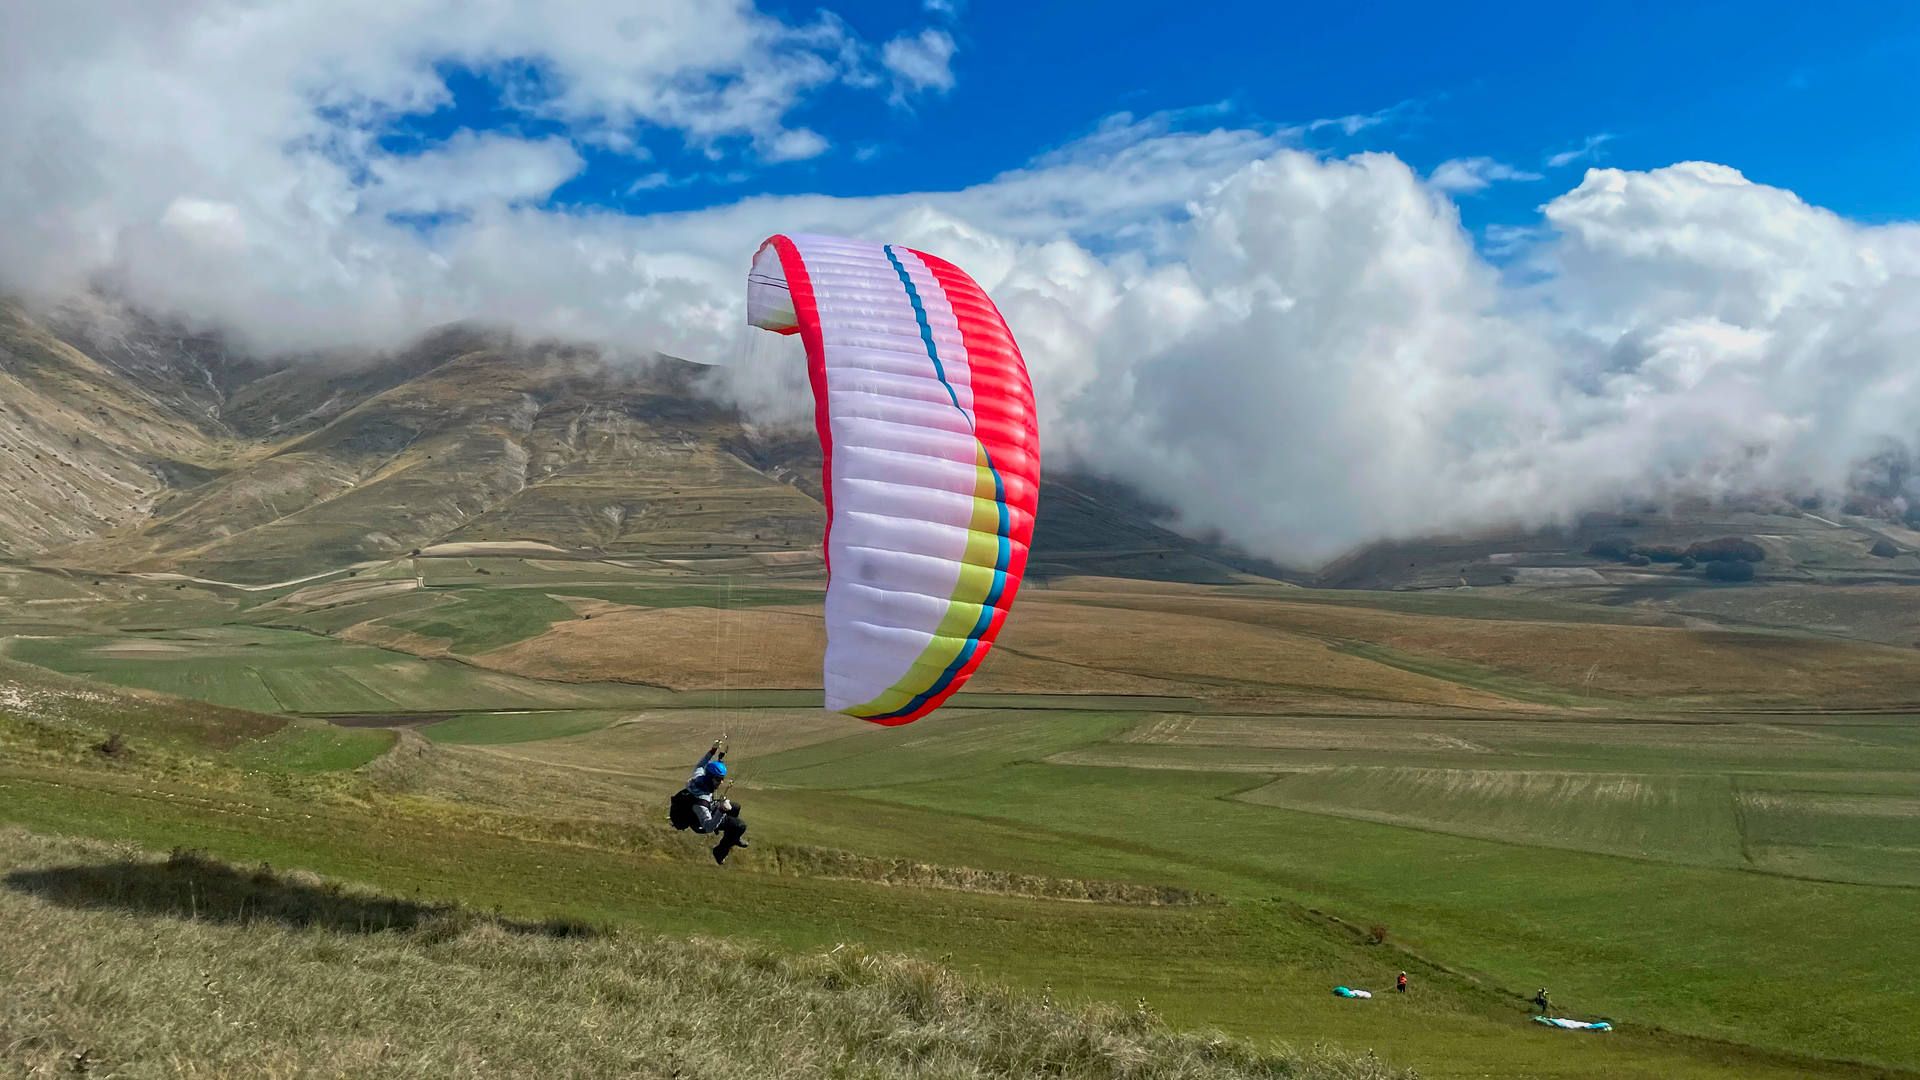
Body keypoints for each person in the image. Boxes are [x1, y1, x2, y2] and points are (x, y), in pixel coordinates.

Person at [669, 740, 749, 865]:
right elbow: (708, 827)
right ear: (710, 778)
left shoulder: (699, 776)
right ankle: (720, 852)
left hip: (705, 809)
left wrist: (712, 751)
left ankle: (732, 836)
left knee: (736, 807)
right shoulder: (701, 802)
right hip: (700, 824)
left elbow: (701, 765)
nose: (721, 783)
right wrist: (722, 810)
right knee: (740, 826)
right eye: (718, 779)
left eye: (722, 779)